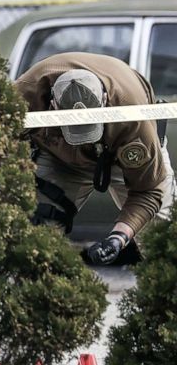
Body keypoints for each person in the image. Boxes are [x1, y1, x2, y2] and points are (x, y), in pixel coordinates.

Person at [14, 52, 175, 265]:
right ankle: (42, 290)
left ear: (105, 101)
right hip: (60, 155)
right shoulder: (27, 92)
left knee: (164, 239)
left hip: (119, 151)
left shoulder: (132, 115)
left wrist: (118, 237)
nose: (82, 141)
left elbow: (148, 190)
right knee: (36, 229)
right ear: (52, 104)